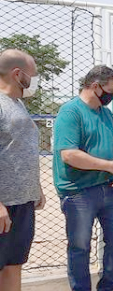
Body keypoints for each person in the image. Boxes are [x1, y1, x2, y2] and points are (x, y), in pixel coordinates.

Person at [53, 65, 113, 291]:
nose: (112, 96)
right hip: (79, 192)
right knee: (79, 247)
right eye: (110, 91)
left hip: (110, 189)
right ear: (95, 86)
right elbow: (69, 155)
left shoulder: (106, 114)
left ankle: (108, 287)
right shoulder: (71, 112)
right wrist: (109, 166)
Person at [0, 49, 46, 291]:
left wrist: (35, 186)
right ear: (17, 74)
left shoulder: (17, 104)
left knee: (14, 263)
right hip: (4, 205)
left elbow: (17, 148)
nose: (35, 80)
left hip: (22, 201)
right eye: (33, 74)